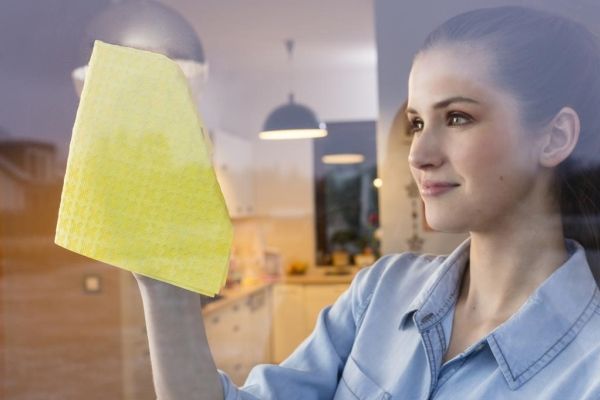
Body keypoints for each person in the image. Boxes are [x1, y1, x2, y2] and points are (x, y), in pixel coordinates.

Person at [134, 6, 600, 399]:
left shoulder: (588, 372)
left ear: (555, 137)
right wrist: (165, 286)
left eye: (458, 117)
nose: (418, 154)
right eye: (417, 123)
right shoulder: (381, 291)